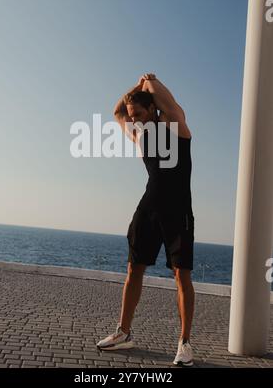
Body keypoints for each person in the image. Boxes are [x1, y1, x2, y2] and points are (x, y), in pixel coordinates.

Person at [96, 73, 195, 367]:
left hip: (178, 210)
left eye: (139, 113)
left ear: (153, 109)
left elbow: (171, 105)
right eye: (132, 116)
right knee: (133, 268)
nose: (134, 119)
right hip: (148, 207)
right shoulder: (139, 134)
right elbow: (116, 112)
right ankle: (123, 332)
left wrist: (152, 81)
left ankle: (185, 344)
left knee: (182, 276)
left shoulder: (177, 127)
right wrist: (137, 87)